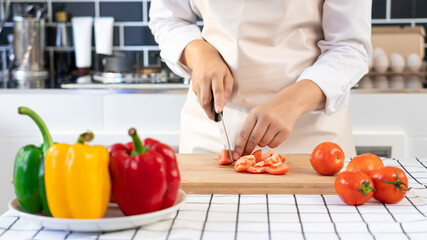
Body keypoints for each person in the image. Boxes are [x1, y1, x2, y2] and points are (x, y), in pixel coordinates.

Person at [149, 0, 372, 160]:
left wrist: (292, 102)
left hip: (312, 133)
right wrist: (197, 52)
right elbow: (168, 19)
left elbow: (349, 46)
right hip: (213, 130)